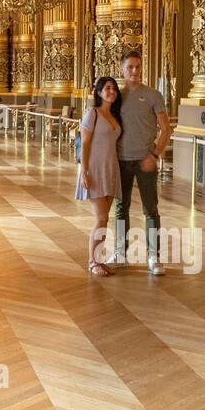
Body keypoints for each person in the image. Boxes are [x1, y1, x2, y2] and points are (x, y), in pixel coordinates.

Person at [110, 50, 171, 275]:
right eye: (130, 67)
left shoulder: (153, 95)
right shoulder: (116, 96)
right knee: (120, 208)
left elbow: (166, 129)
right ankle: (120, 252)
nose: (134, 71)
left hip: (146, 160)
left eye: (137, 66)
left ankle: (154, 256)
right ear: (122, 70)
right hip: (121, 160)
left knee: (151, 209)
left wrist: (154, 155)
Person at [77, 76, 124, 276]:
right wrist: (84, 171)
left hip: (111, 169)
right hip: (95, 170)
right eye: (107, 88)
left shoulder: (115, 116)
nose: (111, 91)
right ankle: (92, 262)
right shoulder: (92, 113)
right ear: (99, 92)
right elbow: (85, 144)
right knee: (101, 217)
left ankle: (99, 259)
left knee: (105, 220)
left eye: (113, 88)